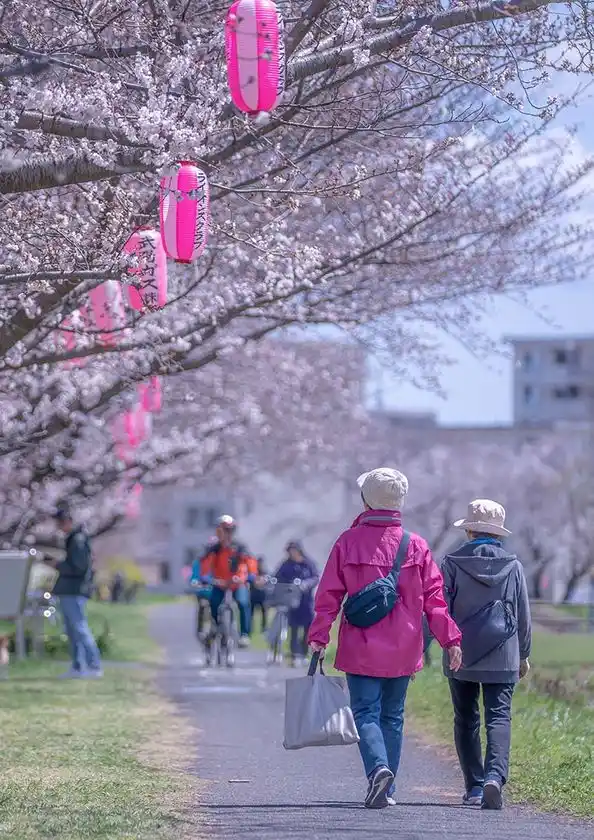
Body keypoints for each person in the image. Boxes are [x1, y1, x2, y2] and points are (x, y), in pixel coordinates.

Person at [308, 467, 462, 809]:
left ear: (366, 500)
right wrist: (451, 640)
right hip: (405, 646)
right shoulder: (416, 545)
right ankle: (388, 788)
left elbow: (328, 593)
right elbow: (435, 599)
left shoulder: (347, 542)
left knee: (365, 712)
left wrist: (319, 634)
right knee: (393, 715)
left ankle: (378, 769)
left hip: (361, 644)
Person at [441, 499, 532, 811]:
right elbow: (523, 614)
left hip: (461, 654)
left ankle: (475, 787)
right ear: (498, 534)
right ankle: (495, 776)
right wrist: (524, 654)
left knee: (466, 718)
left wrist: (439, 645)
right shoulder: (514, 566)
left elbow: (441, 610)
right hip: (503, 653)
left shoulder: (451, 563)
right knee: (498, 716)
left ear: (469, 531)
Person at [46, 507, 103, 679]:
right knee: (72, 630)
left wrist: (58, 565)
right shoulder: (74, 539)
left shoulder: (77, 540)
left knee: (79, 628)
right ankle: (79, 666)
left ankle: (93, 665)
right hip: (71, 590)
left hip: (73, 590)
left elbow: (79, 567)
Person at [200, 515, 257, 647]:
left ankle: (244, 635)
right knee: (213, 602)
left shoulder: (240, 547)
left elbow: (250, 563)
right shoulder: (214, 549)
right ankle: (214, 626)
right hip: (220, 583)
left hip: (237, 583)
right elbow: (205, 565)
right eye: (223, 530)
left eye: (229, 530)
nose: (226, 533)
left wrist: (251, 576)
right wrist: (206, 578)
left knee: (243, 603)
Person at [274, 541, 318, 666]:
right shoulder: (286, 565)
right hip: (292, 601)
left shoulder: (308, 564)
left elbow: (315, 577)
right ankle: (294, 654)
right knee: (293, 628)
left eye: (294, 550)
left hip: (306, 602)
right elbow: (277, 577)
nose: (292, 553)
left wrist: (306, 584)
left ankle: (304, 653)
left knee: (307, 629)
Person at [250, 556, 269, 634]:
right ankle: (250, 627)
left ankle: (264, 628)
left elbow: (267, 581)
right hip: (253, 596)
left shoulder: (265, 573)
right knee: (251, 612)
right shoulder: (253, 572)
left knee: (264, 612)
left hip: (262, 597)